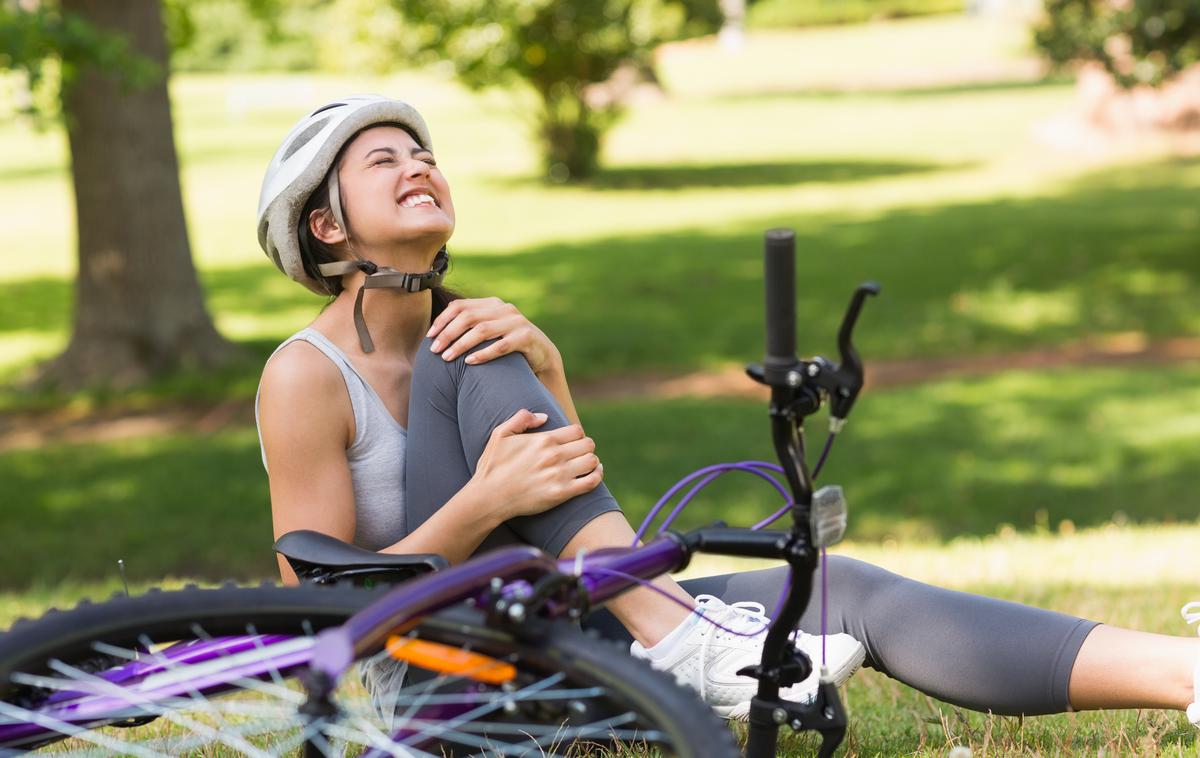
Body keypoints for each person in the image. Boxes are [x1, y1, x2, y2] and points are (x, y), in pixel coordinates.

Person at [255, 95, 1200, 727]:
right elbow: (312, 614)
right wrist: (478, 500)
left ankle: (1180, 673)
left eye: (425, 154)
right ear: (327, 227)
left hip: (537, 625)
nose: (420, 166)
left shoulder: (473, 339)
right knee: (481, 347)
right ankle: (678, 638)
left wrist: (554, 374)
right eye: (385, 161)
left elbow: (562, 511)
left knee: (841, 590)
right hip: (421, 689)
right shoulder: (305, 376)